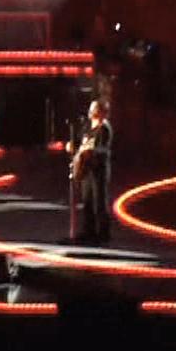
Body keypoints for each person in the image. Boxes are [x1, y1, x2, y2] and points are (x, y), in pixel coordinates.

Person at [72, 99, 113, 245]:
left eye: (94, 109)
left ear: (101, 112)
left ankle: (102, 234)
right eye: (91, 108)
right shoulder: (88, 127)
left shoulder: (104, 128)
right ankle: (88, 232)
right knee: (87, 201)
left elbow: (101, 148)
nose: (90, 111)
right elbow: (81, 143)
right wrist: (74, 147)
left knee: (99, 202)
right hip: (87, 168)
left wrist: (90, 150)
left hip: (98, 169)